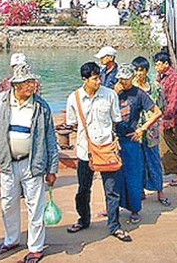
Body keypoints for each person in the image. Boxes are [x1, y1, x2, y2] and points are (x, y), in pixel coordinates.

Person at [0, 63, 58, 263]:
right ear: (16, 85)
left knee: (35, 206)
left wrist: (52, 169)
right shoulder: (0, 103)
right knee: (8, 203)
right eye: (27, 83)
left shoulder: (41, 106)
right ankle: (11, 239)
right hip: (7, 163)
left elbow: (51, 139)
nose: (32, 85)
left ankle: (35, 247)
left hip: (32, 163)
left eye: (33, 82)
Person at [65, 62, 132, 242]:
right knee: (83, 189)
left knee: (112, 190)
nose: (98, 81)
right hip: (84, 150)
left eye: (99, 77)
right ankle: (83, 219)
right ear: (84, 80)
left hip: (107, 149)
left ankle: (114, 225)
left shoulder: (109, 95)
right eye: (94, 79)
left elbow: (116, 119)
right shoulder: (74, 98)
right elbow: (72, 123)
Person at [114, 63, 163, 224]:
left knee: (133, 176)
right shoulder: (112, 93)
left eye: (126, 79)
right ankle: (114, 206)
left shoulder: (139, 94)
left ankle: (135, 209)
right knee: (115, 177)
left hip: (131, 140)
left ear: (132, 78)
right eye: (121, 79)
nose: (123, 82)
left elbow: (157, 112)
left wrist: (142, 129)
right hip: (115, 140)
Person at [131, 56, 170, 206]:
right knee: (138, 162)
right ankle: (140, 190)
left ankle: (160, 191)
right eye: (136, 70)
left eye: (142, 70)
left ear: (147, 71)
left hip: (151, 132)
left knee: (154, 161)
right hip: (135, 132)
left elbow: (161, 107)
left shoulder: (155, 87)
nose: (139, 73)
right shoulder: (131, 88)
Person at [153, 51, 177, 186]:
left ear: (166, 64)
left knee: (175, 146)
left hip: (173, 118)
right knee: (166, 145)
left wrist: (167, 115)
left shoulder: (175, 78)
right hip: (164, 117)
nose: (156, 67)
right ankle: (171, 171)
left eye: (158, 64)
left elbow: (174, 100)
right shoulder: (162, 77)